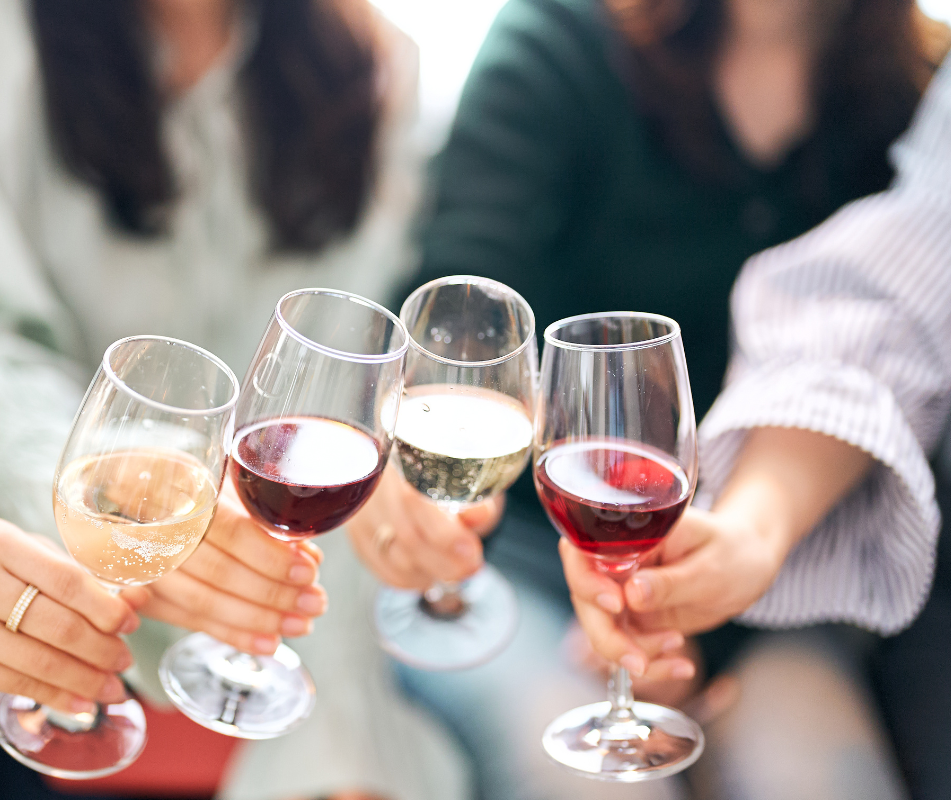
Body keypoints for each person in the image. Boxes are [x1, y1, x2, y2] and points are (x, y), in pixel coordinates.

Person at [0, 1, 466, 799]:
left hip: (313, 616)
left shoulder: (378, 65)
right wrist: (110, 485)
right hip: (25, 604)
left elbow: (345, 378)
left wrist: (402, 495)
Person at [345, 0, 949, 798]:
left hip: (776, 583)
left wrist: (704, 611)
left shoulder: (913, 100)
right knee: (589, 782)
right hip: (531, 560)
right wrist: (403, 478)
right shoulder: (560, 40)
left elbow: (879, 348)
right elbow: (457, 310)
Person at [564, 51, 951, 800]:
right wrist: (749, 535)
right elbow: (890, 311)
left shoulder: (886, 82)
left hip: (800, 621)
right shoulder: (567, 56)